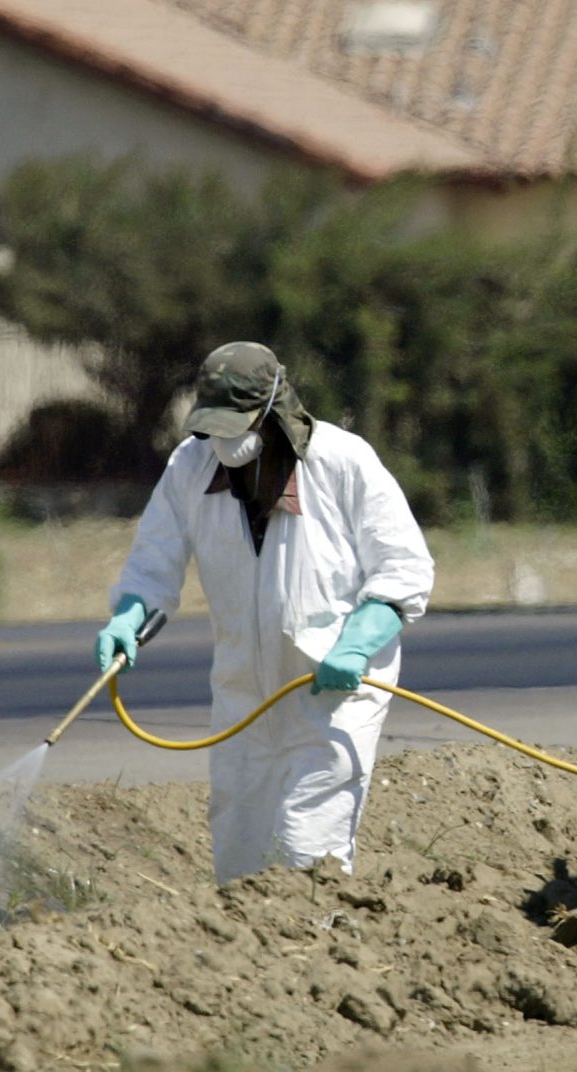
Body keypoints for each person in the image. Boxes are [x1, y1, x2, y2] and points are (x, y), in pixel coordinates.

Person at [94, 342, 435, 885]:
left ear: (275, 407)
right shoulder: (190, 464)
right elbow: (153, 564)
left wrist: (356, 644)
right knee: (238, 858)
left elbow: (403, 570)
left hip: (331, 695)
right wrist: (128, 619)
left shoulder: (342, 462)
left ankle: (318, 959)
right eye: (214, 427)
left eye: (237, 424)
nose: (224, 442)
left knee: (306, 850)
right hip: (243, 697)